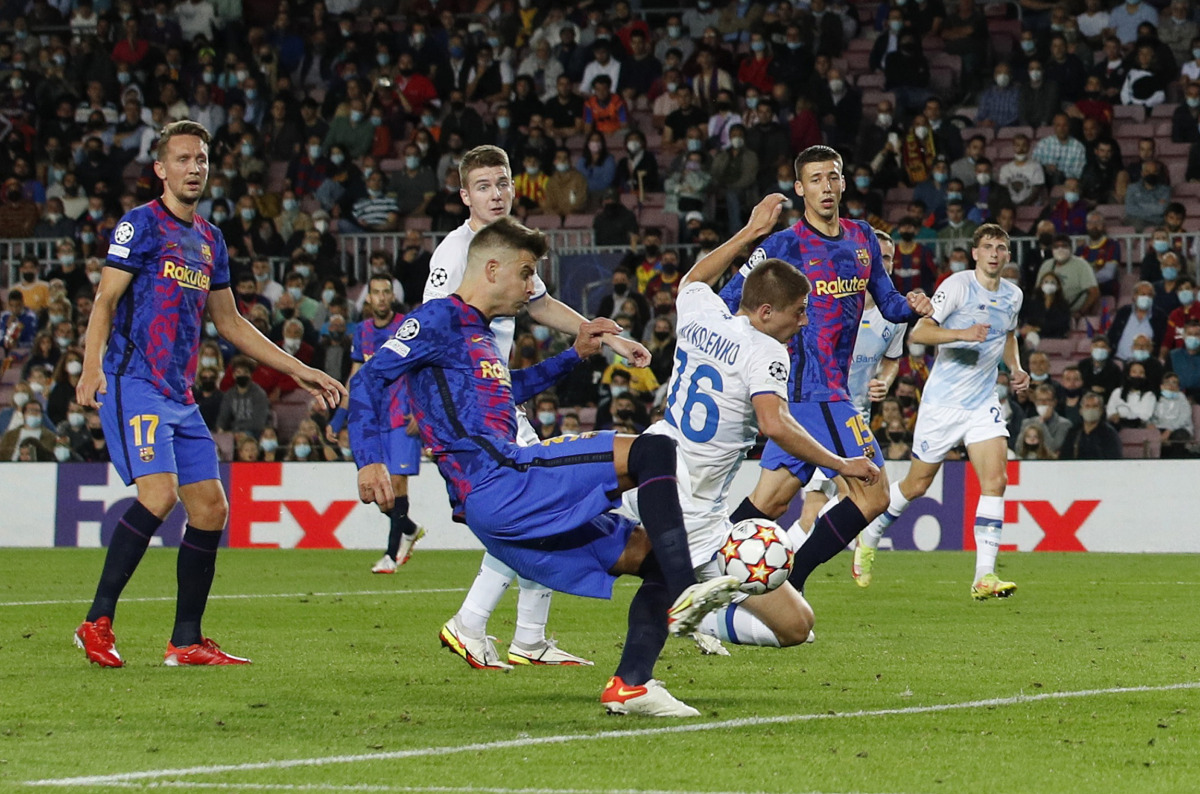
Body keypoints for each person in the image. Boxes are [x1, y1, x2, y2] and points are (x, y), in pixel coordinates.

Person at [351, 216, 740, 717]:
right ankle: (690, 592)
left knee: (654, 557)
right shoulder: (438, 319)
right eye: (526, 273)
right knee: (653, 449)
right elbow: (367, 380)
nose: (530, 286)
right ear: (492, 269)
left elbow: (505, 390)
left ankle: (631, 685)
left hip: (501, 505)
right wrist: (369, 461)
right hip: (503, 480)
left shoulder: (477, 334)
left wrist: (575, 355)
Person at [73, 121, 346, 669]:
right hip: (134, 381)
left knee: (211, 508)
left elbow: (231, 322)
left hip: (180, 394)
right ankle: (95, 623)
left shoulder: (209, 240)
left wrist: (299, 369)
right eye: (182, 159)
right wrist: (90, 367)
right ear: (160, 169)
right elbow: (105, 300)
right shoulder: (139, 225)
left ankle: (186, 640)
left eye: (200, 158)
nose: (194, 167)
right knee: (159, 495)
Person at [620, 193, 879, 654]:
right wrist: (841, 464)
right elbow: (774, 424)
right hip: (696, 510)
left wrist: (751, 232)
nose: (805, 321)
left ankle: (689, 609)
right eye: (799, 311)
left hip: (655, 474)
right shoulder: (767, 352)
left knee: (798, 623)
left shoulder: (701, 314)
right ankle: (677, 621)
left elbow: (693, 279)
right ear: (766, 312)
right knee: (794, 628)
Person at [424, 145, 650, 671]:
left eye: (503, 182)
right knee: (536, 507)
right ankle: (474, 624)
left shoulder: (511, 246)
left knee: (542, 511)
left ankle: (524, 637)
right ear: (465, 196)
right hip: (475, 415)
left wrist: (607, 337)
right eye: (484, 186)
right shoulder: (454, 254)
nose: (496, 194)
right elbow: (431, 330)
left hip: (501, 403)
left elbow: (541, 304)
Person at [717, 145, 932, 600]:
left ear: (843, 182)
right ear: (800, 189)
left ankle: (696, 575)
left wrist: (912, 305)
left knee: (771, 501)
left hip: (819, 394)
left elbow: (889, 304)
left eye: (832, 177)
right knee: (874, 494)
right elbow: (728, 301)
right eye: (815, 179)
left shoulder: (862, 238)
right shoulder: (784, 245)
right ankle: (792, 583)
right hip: (813, 390)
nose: (826, 187)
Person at [856, 224, 1028, 598]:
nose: (995, 253)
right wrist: (962, 334)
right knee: (917, 485)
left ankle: (984, 576)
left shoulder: (1013, 295)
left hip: (982, 403)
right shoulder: (957, 286)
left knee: (996, 481)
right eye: (988, 247)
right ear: (975, 253)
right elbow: (920, 333)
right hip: (943, 404)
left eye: (1001, 247)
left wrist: (1015, 368)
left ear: (1007, 255)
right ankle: (871, 533)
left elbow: (1008, 335)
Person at [801, 230, 906, 542]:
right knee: (834, 499)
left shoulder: (895, 316)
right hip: (820, 413)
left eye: (887, 258)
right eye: (875, 256)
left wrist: (884, 381)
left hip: (858, 419)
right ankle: (789, 561)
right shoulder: (830, 302)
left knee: (852, 499)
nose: (881, 263)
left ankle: (789, 559)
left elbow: (892, 360)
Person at [327, 275, 425, 575]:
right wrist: (339, 418)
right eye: (376, 293)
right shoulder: (362, 331)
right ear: (368, 298)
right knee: (378, 492)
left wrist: (421, 413)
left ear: (392, 296)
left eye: (386, 292)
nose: (381, 297)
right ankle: (409, 529)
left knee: (396, 484)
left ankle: (390, 556)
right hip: (373, 418)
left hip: (402, 416)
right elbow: (355, 377)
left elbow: (423, 370)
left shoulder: (407, 326)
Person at [1060, 392, 1122, 459]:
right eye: (1087, 406)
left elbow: (1114, 459)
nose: (1091, 409)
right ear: (1080, 410)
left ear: (1101, 411)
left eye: (1095, 406)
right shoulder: (1073, 432)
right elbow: (1064, 458)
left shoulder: (1110, 434)